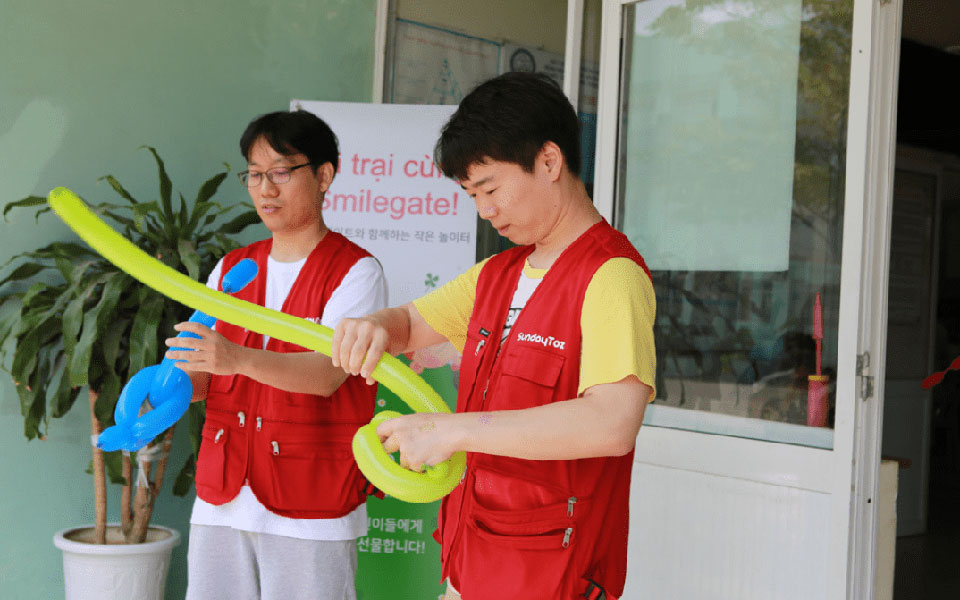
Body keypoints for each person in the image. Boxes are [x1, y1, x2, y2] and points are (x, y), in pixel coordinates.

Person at [331, 72, 656, 600]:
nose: (484, 209)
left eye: (490, 188)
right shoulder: (498, 274)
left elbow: (611, 423)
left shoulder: (611, 276)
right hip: (472, 563)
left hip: (552, 576)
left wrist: (452, 431)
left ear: (549, 162)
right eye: (470, 193)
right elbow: (409, 324)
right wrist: (376, 326)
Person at [165, 110, 387, 600]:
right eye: (255, 175)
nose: (266, 189)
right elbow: (205, 371)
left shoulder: (356, 271)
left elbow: (329, 373)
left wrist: (236, 358)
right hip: (223, 495)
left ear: (324, 175)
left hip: (312, 500)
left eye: (282, 172)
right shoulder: (231, 267)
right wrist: (165, 394)